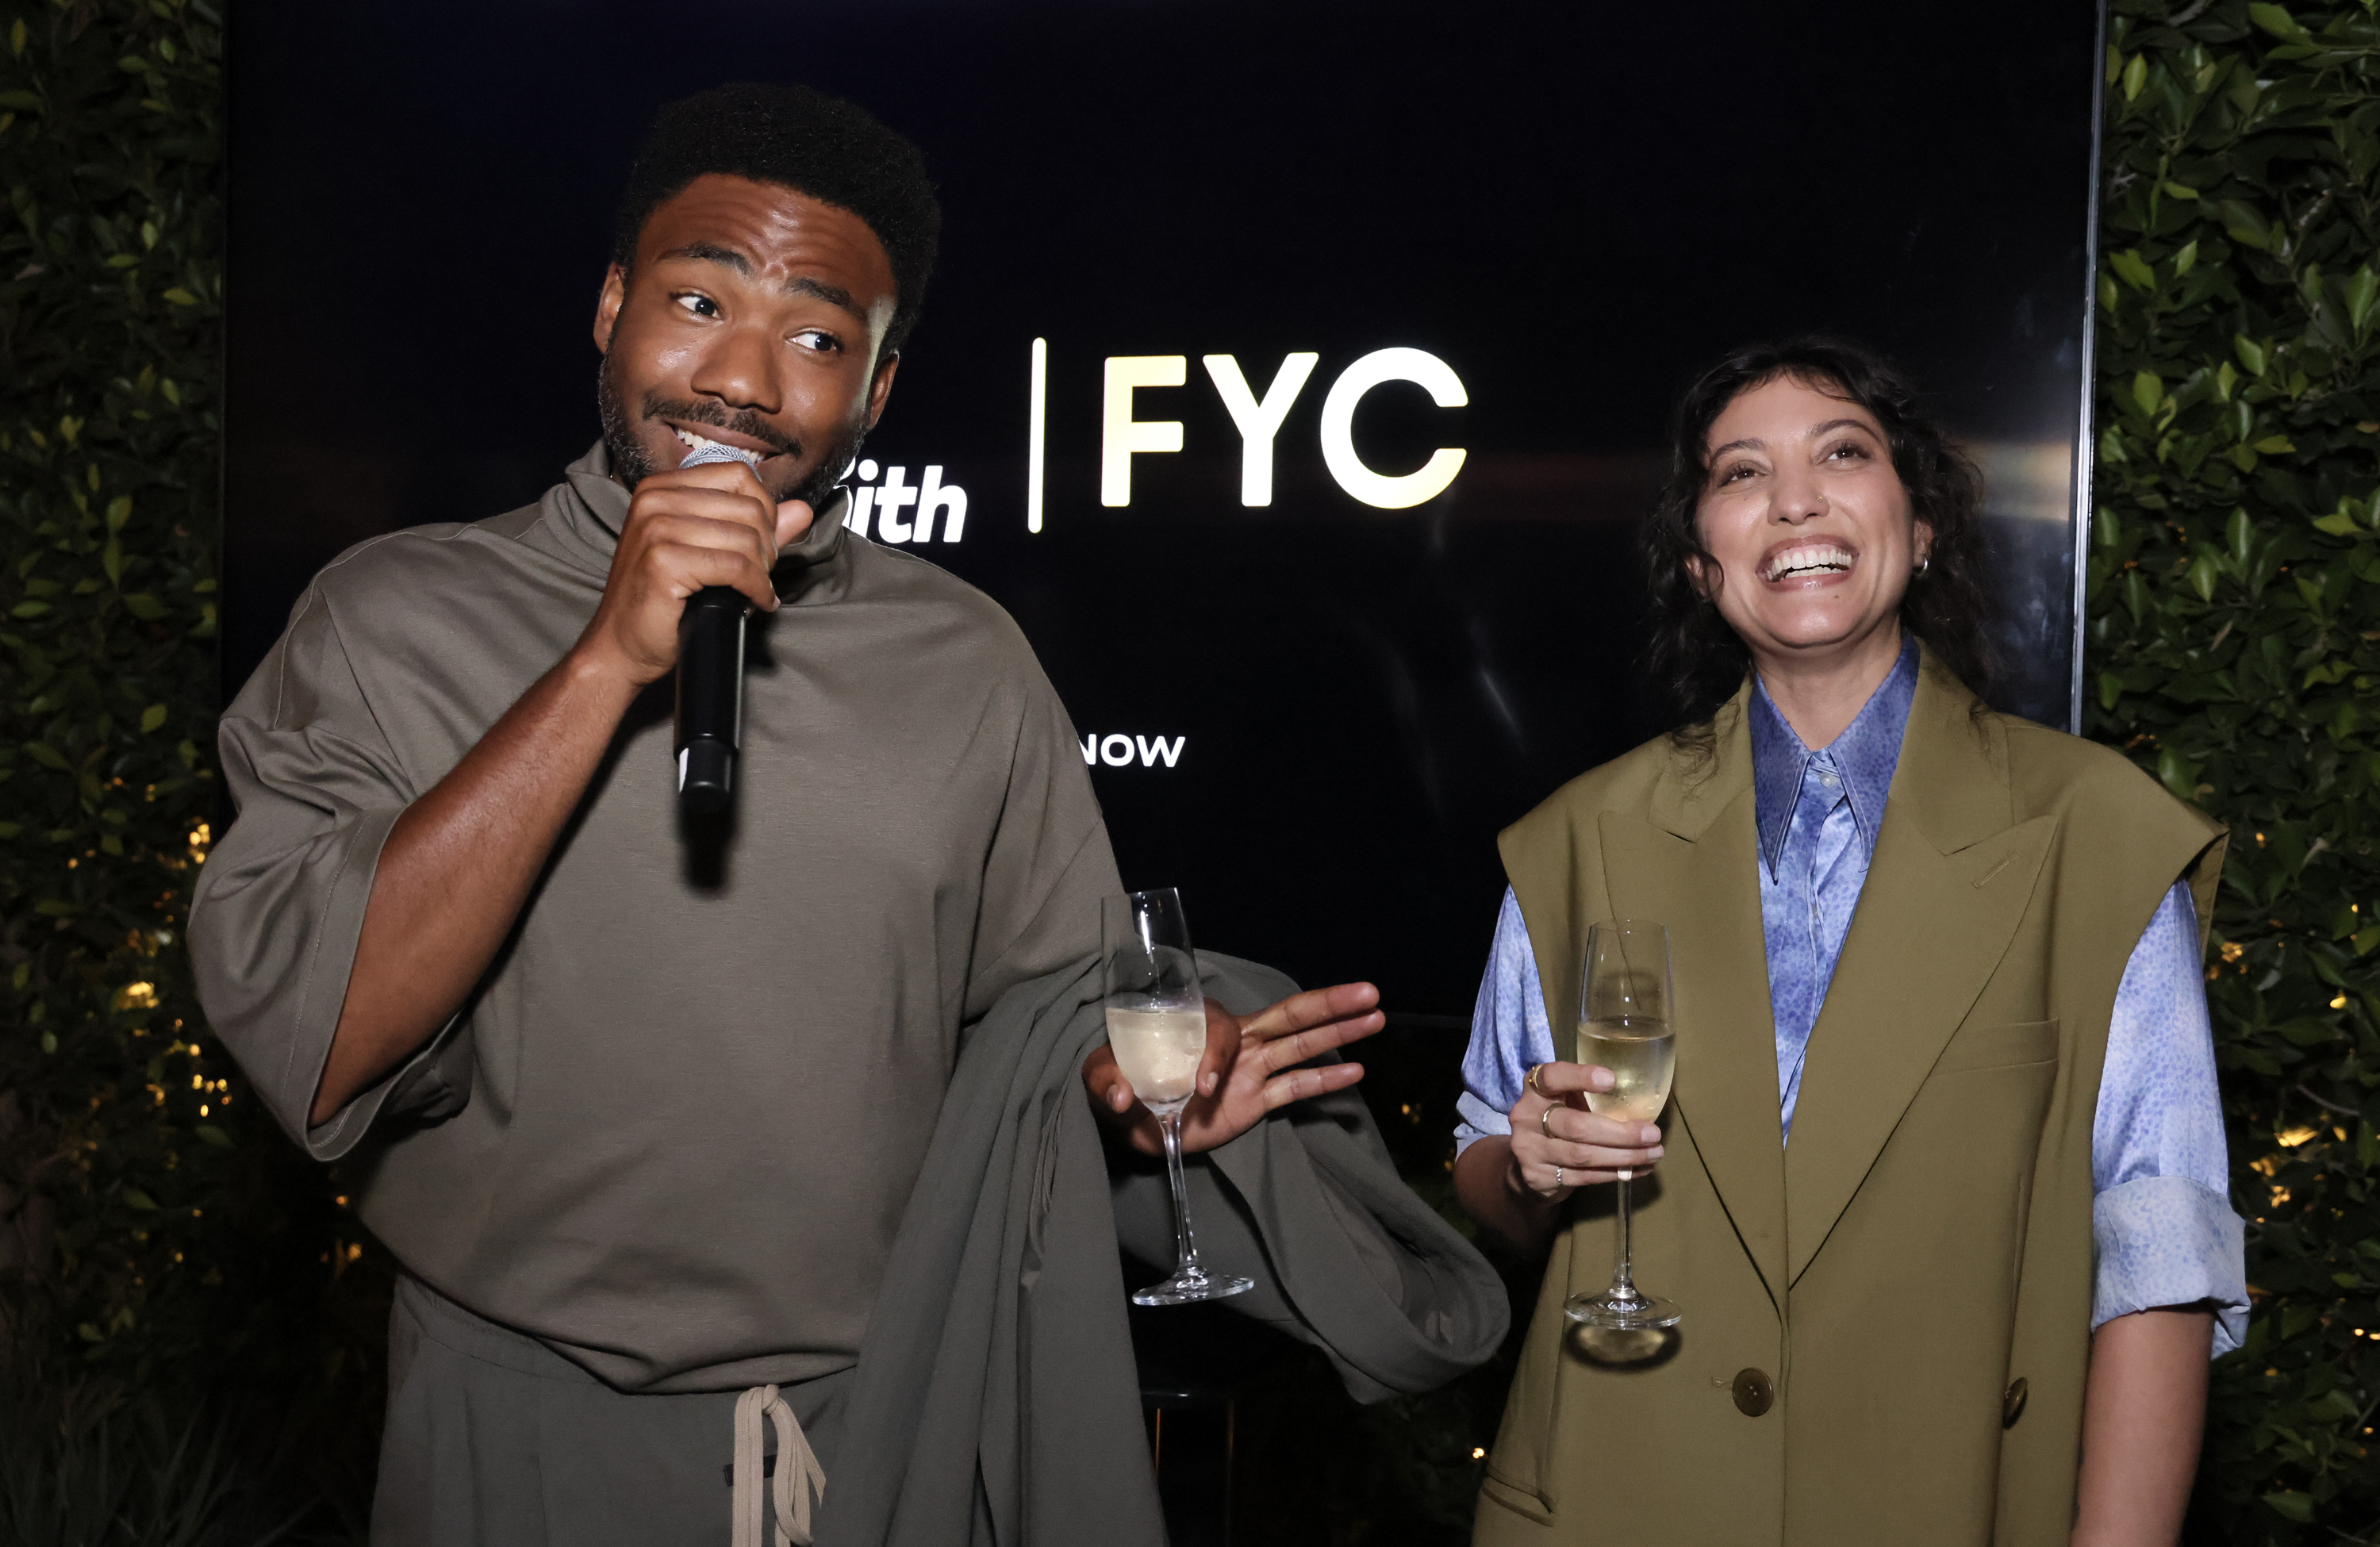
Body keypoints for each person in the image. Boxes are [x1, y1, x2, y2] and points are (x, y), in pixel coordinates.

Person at [188, 83, 1495, 1546]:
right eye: (698, 300)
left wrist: (1134, 1104)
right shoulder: (393, 617)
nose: (745, 380)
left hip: (887, 1433)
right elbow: (321, 1044)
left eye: (818, 338)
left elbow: (1049, 1024)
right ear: (613, 309)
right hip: (520, 1432)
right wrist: (609, 659)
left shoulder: (966, 658)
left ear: (874, 395)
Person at [1452, 338, 2245, 1546]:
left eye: (1842, 452)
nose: (1796, 498)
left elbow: (2160, 1255)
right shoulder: (1581, 838)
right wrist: (1529, 1164)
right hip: (1615, 1497)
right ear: (1700, 561)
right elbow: (1486, 1170)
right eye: (1741, 471)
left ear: (1919, 525)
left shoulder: (2094, 837)